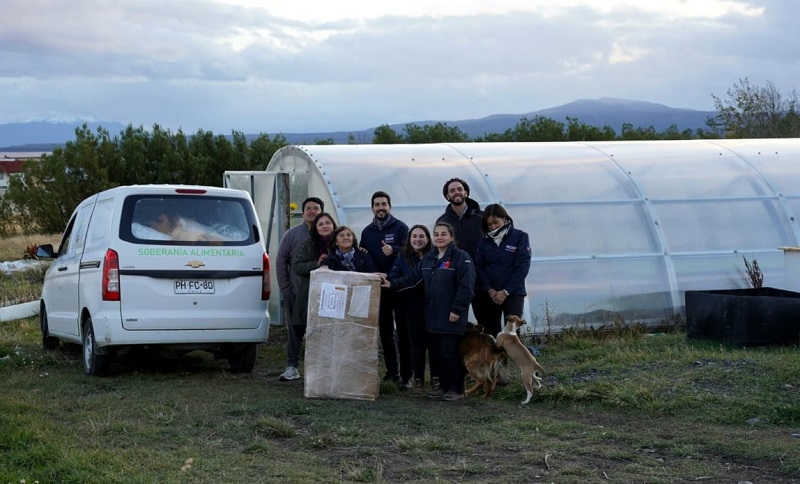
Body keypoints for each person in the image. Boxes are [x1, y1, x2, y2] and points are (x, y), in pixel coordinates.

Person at [382, 222, 476, 402]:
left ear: (451, 237)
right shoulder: (430, 258)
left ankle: (456, 388)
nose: (439, 237)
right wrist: (391, 284)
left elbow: (467, 286)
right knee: (437, 352)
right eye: (436, 234)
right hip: (432, 314)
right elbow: (413, 278)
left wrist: (457, 309)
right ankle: (442, 387)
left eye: (443, 234)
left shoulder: (461, 257)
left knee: (449, 352)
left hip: (451, 314)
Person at [360, 191, 410, 387]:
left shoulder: (400, 228)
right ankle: (392, 372)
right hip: (378, 287)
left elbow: (411, 251)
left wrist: (395, 250)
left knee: (404, 332)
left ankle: (407, 375)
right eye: (377, 204)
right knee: (386, 331)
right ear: (372, 208)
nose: (380, 207)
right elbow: (364, 256)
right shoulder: (367, 232)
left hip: (399, 287)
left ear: (390, 206)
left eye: (384, 204)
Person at [277, 197, 324, 381]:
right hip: (296, 292)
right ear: (303, 212)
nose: (312, 211)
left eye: (316, 208)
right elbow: (281, 261)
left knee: (322, 330)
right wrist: (286, 288)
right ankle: (292, 366)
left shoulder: (329, 234)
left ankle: (319, 369)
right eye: (309, 209)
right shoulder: (292, 235)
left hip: (322, 294)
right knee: (295, 329)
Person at [388, 224, 438, 393]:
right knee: (411, 343)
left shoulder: (435, 256)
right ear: (409, 239)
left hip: (431, 306)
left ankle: (435, 378)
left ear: (427, 238)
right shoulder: (403, 256)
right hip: (409, 305)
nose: (417, 239)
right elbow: (394, 276)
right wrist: (396, 283)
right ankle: (412, 378)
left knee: (433, 343)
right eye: (414, 236)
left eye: (421, 236)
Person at [286, 212, 337, 380]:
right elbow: (298, 267)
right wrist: (316, 264)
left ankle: (329, 370)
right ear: (315, 228)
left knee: (330, 333)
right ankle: (296, 367)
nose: (325, 226)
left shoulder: (340, 242)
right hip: (311, 295)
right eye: (320, 224)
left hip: (334, 297)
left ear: (333, 225)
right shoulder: (309, 245)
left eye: (327, 223)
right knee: (304, 330)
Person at [473, 204, 532, 337]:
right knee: (491, 332)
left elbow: (522, 267)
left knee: (511, 333)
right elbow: (479, 267)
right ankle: (497, 358)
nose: (493, 227)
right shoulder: (484, 241)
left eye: (495, 222)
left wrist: (506, 291)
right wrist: (490, 290)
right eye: (489, 224)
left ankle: (517, 357)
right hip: (490, 295)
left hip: (513, 292)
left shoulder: (520, 237)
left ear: (504, 219)